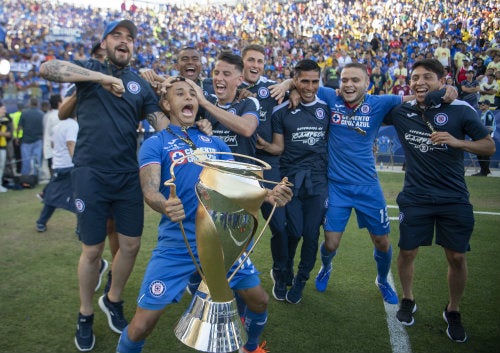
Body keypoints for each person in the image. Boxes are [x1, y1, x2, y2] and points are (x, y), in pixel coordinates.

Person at [116, 77, 292, 353]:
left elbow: (240, 185)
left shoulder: (216, 143)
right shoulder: (156, 143)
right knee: (142, 325)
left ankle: (252, 347)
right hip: (177, 245)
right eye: (179, 93)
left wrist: (270, 194)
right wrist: (164, 204)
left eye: (192, 93)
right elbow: (149, 189)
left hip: (221, 241)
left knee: (259, 301)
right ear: (166, 104)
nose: (188, 97)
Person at [272, 63, 457, 305]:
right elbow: (302, 85)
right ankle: (325, 268)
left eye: (355, 80)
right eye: (345, 80)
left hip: (367, 186)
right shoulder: (327, 95)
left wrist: (447, 91)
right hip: (336, 185)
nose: (349, 85)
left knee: (381, 241)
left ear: (367, 84)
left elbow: (417, 97)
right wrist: (289, 86)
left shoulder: (381, 102)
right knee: (330, 242)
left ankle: (381, 279)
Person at [39, 19, 165, 352]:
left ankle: (113, 298)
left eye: (130, 38)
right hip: (90, 173)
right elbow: (47, 68)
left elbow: (161, 123)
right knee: (93, 250)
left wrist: (176, 98)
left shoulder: (140, 83)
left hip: (127, 175)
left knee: (132, 245)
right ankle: (85, 313)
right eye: (117, 36)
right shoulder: (88, 71)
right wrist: (102, 77)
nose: (125, 41)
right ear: (105, 43)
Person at [384, 58, 495, 342]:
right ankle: (408, 299)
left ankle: (453, 310)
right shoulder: (400, 111)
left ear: (442, 81)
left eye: (427, 77)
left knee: (457, 256)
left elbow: (488, 145)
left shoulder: (460, 109)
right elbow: (364, 105)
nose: (420, 82)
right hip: (415, 196)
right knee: (407, 251)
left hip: (453, 196)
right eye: (415, 77)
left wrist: (458, 142)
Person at [257, 59, 329, 303]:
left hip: (318, 182)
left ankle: (301, 279)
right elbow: (278, 148)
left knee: (311, 234)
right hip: (291, 181)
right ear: (295, 81)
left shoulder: (327, 106)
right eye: (304, 81)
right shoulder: (281, 111)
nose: (310, 87)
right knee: (293, 231)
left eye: (315, 81)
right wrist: (265, 145)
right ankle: (282, 271)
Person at [239, 44, 290, 299]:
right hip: (241, 166)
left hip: (269, 165)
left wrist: (288, 81)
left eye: (260, 61)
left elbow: (301, 82)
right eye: (251, 60)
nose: (255, 65)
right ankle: (232, 274)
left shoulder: (271, 88)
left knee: (278, 225)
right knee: (237, 226)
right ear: (242, 62)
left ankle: (280, 273)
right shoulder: (228, 85)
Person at [35, 108, 78, 232]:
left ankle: (41, 222)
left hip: (58, 165)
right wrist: (76, 162)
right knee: (78, 195)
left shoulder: (58, 126)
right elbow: (70, 143)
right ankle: (80, 227)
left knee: (52, 196)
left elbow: (53, 144)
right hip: (69, 165)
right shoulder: (73, 125)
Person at [17, 97, 44, 177]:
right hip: (38, 139)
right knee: (37, 159)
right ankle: (37, 176)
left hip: (26, 140)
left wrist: (18, 137)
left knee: (26, 160)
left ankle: (25, 176)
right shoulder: (41, 114)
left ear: (30, 103)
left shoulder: (24, 113)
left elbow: (19, 127)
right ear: (37, 104)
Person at [472, 99, 496, 176]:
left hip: (486, 137)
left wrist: (482, 137)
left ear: (488, 106)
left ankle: (484, 171)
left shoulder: (488, 114)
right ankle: (485, 170)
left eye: (483, 104)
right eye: (480, 104)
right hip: (483, 136)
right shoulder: (483, 114)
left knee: (483, 154)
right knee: (480, 153)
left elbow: (489, 128)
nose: (481, 106)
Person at [41, 94, 62, 179]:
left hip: (49, 149)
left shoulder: (47, 115)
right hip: (56, 150)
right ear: (59, 103)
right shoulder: (58, 116)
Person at [0, 101, 13, 192]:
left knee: (1, 166)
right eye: (3, 109)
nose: (5, 110)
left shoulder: (6, 119)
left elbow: (9, 134)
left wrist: (2, 133)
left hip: (2, 145)